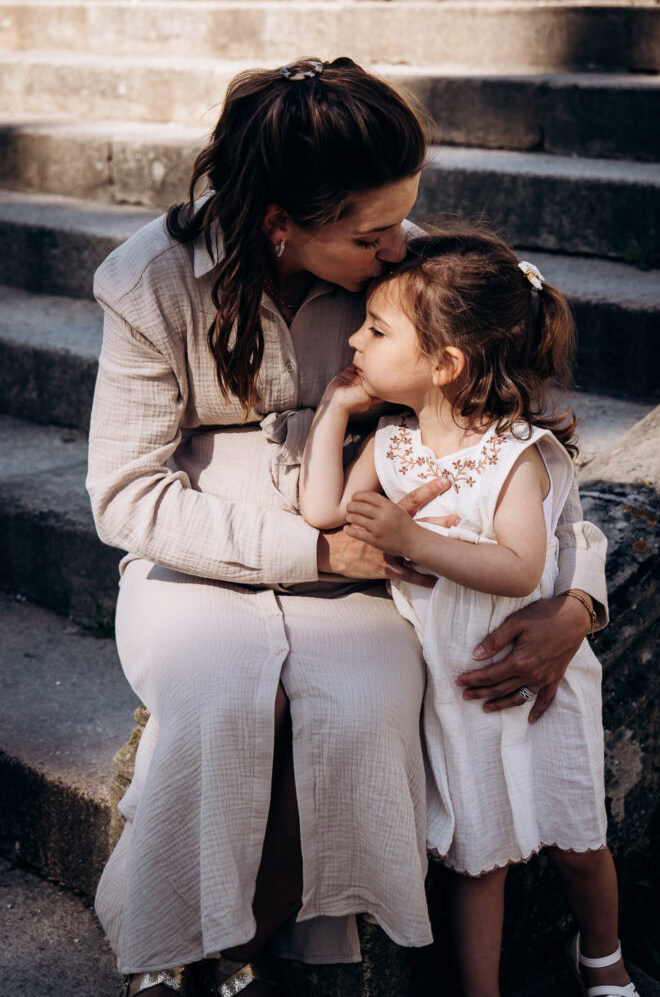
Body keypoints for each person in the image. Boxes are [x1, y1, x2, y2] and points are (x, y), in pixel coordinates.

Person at [86, 57, 608, 997]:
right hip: (199, 560)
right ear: (279, 223)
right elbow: (126, 495)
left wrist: (577, 602)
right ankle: (176, 953)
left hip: (376, 579)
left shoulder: (408, 286)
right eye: (371, 230)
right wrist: (314, 547)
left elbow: (517, 455)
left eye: (404, 213)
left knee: (364, 713)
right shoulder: (150, 282)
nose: (399, 243)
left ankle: (254, 945)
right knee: (214, 701)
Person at [299, 226, 636, 997]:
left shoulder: (513, 455)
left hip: (537, 683)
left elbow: (519, 567)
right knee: (477, 855)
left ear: (445, 364)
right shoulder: (389, 444)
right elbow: (327, 510)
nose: (354, 336)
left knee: (578, 839)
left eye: (376, 330)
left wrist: (412, 536)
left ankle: (604, 959)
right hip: (454, 688)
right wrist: (331, 408)